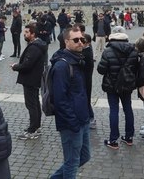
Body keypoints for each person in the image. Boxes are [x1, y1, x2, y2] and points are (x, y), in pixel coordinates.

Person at [50, 25, 91, 179]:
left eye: (82, 39)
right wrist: (73, 123)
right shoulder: (62, 66)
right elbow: (60, 100)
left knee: (84, 156)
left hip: (83, 119)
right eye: (76, 40)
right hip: (71, 123)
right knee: (72, 162)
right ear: (66, 42)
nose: (81, 42)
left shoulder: (78, 60)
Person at [97, 26, 138, 149]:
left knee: (114, 110)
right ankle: (129, 137)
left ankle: (113, 139)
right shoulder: (133, 50)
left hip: (112, 85)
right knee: (128, 109)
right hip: (127, 84)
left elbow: (101, 70)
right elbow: (135, 69)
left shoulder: (108, 51)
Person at [11, 22, 48, 140]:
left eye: (27, 32)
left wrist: (15, 66)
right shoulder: (37, 45)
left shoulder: (34, 47)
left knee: (31, 104)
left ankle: (33, 129)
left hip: (30, 79)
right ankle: (36, 126)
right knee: (35, 103)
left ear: (33, 34)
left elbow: (27, 65)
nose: (24, 34)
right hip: (33, 78)